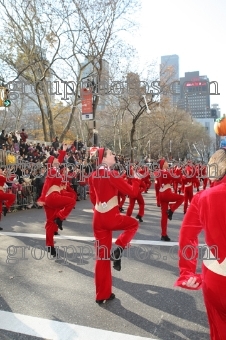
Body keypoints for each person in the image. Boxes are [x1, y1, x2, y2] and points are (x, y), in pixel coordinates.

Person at [175, 148, 226, 340]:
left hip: (214, 275)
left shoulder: (203, 197)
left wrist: (186, 272)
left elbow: (187, 237)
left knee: (218, 331)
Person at [89, 148, 141, 304]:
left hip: (98, 218)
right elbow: (132, 192)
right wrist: (137, 179)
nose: (114, 155)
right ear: (104, 158)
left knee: (101, 257)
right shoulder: (111, 174)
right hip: (111, 217)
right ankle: (119, 247)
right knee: (133, 224)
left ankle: (101, 294)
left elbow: (93, 197)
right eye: (111, 154)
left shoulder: (93, 175)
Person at [37, 144, 76, 256]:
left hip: (50, 200)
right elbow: (46, 185)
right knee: (71, 201)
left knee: (50, 223)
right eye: (55, 159)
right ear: (52, 162)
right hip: (52, 197)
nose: (58, 160)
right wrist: (42, 197)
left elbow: (59, 159)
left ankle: (50, 247)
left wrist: (63, 151)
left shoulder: (54, 170)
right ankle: (60, 218)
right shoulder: (52, 171)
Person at [157, 158, 184, 241]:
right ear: (163, 164)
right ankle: (171, 210)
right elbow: (177, 179)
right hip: (166, 193)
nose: (167, 163)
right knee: (182, 198)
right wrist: (179, 171)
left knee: (164, 216)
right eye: (166, 162)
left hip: (161, 193)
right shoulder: (165, 172)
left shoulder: (160, 172)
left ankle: (163, 234)